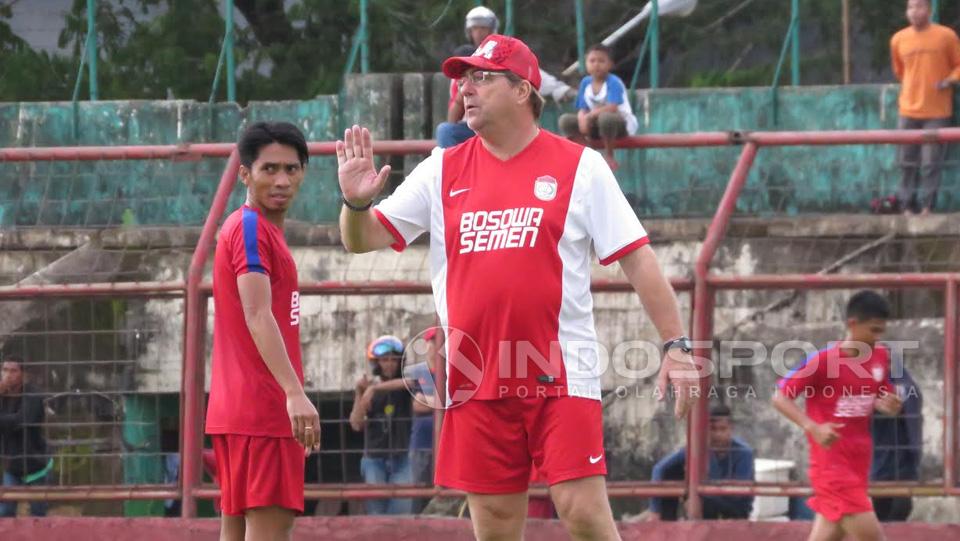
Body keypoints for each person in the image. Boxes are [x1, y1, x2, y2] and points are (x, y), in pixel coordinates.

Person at [337, 33, 699, 541]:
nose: (467, 88)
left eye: (482, 77)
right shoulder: (442, 168)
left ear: (524, 90)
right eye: (464, 78)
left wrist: (676, 345)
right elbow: (361, 240)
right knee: (497, 525)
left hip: (560, 369)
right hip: (474, 376)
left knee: (583, 513)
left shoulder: (580, 166)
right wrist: (354, 204)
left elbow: (638, 259)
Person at [205, 122, 321, 541]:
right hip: (264, 411)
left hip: (239, 410)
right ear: (245, 174)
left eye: (292, 169)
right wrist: (294, 393)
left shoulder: (253, 228)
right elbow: (257, 314)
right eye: (269, 169)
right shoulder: (251, 228)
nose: (282, 180)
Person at [773, 291, 903, 541]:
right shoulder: (822, 362)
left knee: (829, 534)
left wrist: (889, 405)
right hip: (831, 466)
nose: (877, 338)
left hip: (859, 462)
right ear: (852, 324)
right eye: (873, 331)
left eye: (881, 332)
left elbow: (880, 394)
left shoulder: (880, 357)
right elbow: (779, 397)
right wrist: (813, 427)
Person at [436, 6, 577, 148]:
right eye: (474, 28)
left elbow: (537, 76)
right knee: (446, 131)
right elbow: (455, 110)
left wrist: (563, 90)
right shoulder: (463, 64)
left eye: (480, 77)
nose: (478, 33)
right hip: (472, 130)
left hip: (512, 130)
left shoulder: (509, 54)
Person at [890, 0, 960, 216]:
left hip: (937, 111)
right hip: (908, 109)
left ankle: (927, 206)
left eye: (919, 6)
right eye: (910, 7)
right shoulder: (898, 39)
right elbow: (900, 71)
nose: (914, 11)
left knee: (931, 162)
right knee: (906, 161)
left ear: (929, 10)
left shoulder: (946, 36)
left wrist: (948, 81)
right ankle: (905, 205)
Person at [645, 403, 754, 521]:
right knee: (672, 473)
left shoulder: (743, 452)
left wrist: (699, 497)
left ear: (731, 429)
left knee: (697, 498)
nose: (717, 434)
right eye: (713, 429)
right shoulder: (698, 448)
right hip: (707, 504)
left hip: (736, 509)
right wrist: (655, 510)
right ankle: (667, 525)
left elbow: (738, 495)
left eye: (722, 429)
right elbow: (660, 469)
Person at [350, 335, 414, 515]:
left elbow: (411, 382)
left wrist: (375, 388)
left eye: (394, 360)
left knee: (401, 514)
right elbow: (356, 424)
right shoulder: (369, 389)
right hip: (374, 458)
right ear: (377, 363)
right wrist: (359, 393)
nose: (389, 364)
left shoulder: (404, 386)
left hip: (401, 457)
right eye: (384, 360)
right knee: (376, 514)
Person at [559, 44, 638, 171]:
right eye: (592, 61)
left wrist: (589, 116)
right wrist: (582, 119)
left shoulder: (613, 82)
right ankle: (585, 153)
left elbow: (612, 108)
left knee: (606, 118)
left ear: (610, 64)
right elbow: (582, 108)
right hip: (595, 125)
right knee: (566, 120)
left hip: (618, 125)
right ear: (586, 64)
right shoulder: (585, 82)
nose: (596, 64)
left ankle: (609, 156)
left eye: (601, 61)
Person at [870, 349, 922, 522]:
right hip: (878, 458)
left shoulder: (904, 384)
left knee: (901, 507)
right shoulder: (869, 383)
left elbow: (905, 395)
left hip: (902, 459)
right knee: (880, 506)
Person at [0, 356, 52, 518]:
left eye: (13, 370)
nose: (8, 375)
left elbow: (22, 421)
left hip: (37, 465)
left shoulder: (33, 395)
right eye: (5, 370)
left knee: (38, 513)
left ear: (23, 373)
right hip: (12, 465)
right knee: (6, 512)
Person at [406, 327, 442, 513]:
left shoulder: (451, 372)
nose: (439, 345)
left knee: (445, 494)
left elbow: (454, 404)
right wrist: (440, 403)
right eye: (435, 341)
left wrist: (429, 401)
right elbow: (416, 405)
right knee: (419, 494)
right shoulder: (419, 372)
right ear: (427, 345)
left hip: (445, 445)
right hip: (421, 444)